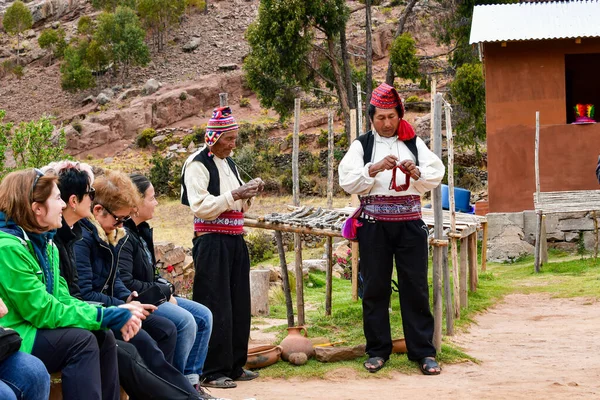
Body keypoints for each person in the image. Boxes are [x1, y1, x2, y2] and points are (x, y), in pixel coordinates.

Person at [47, 161, 210, 400]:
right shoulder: (78, 239)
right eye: (119, 219)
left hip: (101, 309)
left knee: (162, 331)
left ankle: (187, 394)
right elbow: (78, 294)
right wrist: (121, 307)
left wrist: (128, 299)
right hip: (93, 312)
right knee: (127, 348)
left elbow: (111, 281)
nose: (122, 225)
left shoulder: (102, 234)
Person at [0, 168, 141, 400]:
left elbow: (63, 299)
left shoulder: (47, 244)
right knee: (81, 342)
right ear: (37, 209)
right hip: (18, 334)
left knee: (101, 335)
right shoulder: (8, 248)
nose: (63, 205)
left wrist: (106, 314)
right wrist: (102, 315)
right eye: (57, 198)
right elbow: (42, 311)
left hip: (37, 329)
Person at [338, 83, 445, 375]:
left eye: (392, 117)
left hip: (410, 225)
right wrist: (372, 169)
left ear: (400, 115)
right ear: (371, 118)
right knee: (374, 288)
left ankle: (423, 352)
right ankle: (377, 350)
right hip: (374, 226)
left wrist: (416, 172)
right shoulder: (363, 146)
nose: (387, 123)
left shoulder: (413, 143)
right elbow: (347, 180)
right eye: (381, 118)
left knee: (415, 288)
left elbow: (436, 173)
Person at [181, 106, 264, 389]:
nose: (233, 144)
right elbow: (201, 206)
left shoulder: (228, 162)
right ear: (213, 137)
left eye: (235, 138)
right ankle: (212, 371)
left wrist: (248, 192)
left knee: (239, 304)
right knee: (215, 303)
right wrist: (235, 194)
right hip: (211, 242)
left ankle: (234, 365)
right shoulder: (197, 164)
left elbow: (236, 199)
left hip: (234, 240)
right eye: (228, 138)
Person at [121, 172, 213, 393]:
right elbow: (126, 281)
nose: (157, 203)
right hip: (142, 300)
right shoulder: (124, 236)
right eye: (151, 198)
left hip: (155, 294)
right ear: (135, 202)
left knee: (204, 316)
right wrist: (163, 292)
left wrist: (166, 289)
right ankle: (175, 386)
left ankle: (191, 382)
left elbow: (150, 274)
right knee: (185, 321)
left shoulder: (141, 232)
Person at [0, 297, 51, 400]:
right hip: (24, 330)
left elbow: (63, 296)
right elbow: (38, 309)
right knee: (5, 395)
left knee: (35, 372)